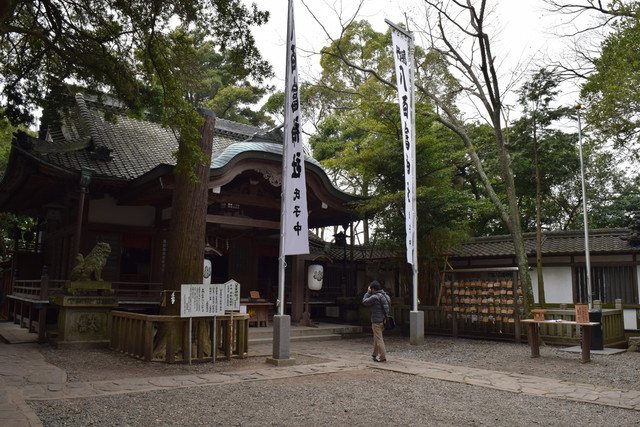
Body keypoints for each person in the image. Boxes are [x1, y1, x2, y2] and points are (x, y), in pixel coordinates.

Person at [362, 280, 390, 362]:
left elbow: (364, 301)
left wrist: (368, 292)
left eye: (371, 289)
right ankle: (374, 354)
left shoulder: (375, 297)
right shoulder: (386, 296)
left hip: (376, 321)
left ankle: (382, 356)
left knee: (379, 339)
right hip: (384, 320)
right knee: (376, 337)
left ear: (373, 289)